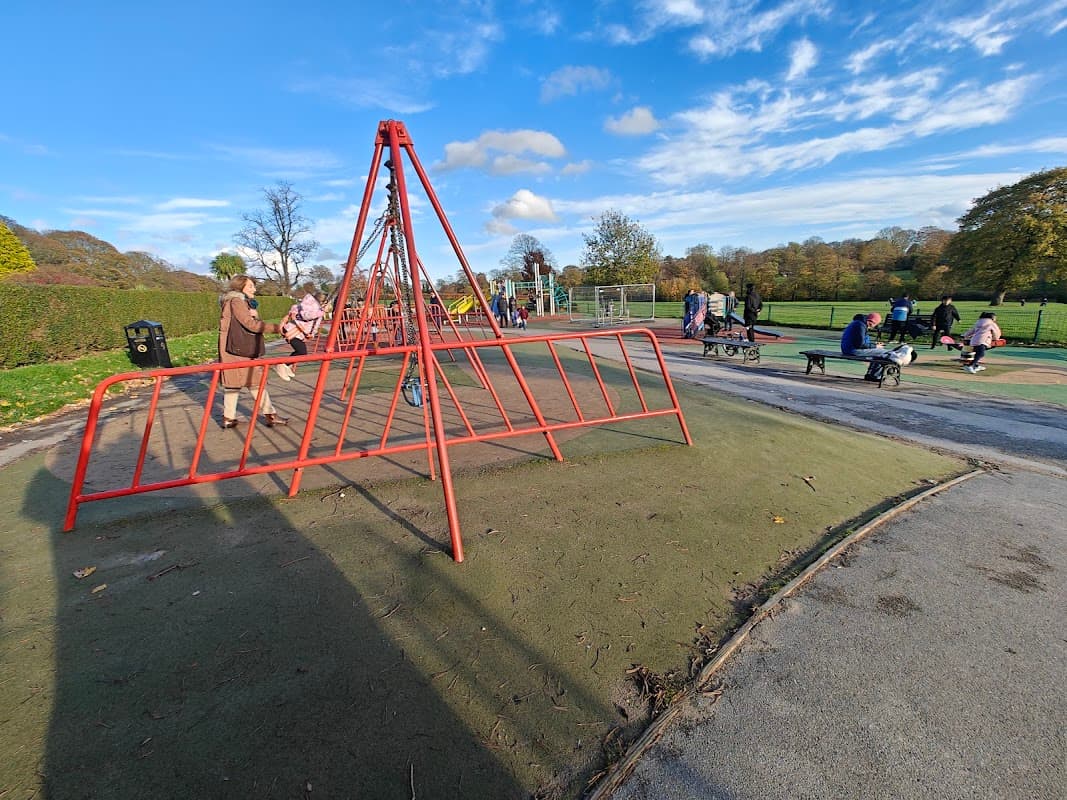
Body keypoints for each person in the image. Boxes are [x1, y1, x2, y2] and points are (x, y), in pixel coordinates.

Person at [218, 274, 287, 429]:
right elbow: (250, 325)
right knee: (254, 381)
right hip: (239, 350)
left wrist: (255, 315)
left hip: (232, 349)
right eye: (250, 286)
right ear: (240, 287)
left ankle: (228, 418)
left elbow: (248, 322)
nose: (254, 289)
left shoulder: (233, 301)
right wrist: (277, 328)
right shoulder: (237, 301)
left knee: (234, 384)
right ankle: (270, 415)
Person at [276, 291, 325, 381]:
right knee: (302, 352)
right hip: (293, 330)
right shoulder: (310, 305)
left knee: (300, 351)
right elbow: (305, 316)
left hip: (298, 332)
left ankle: (287, 366)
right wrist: (319, 313)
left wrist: (312, 334)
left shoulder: (317, 308)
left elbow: (315, 324)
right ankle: (282, 365)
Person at [841, 312, 893, 381]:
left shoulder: (858, 323)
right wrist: (875, 346)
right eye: (875, 325)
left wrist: (874, 345)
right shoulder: (860, 326)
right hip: (852, 350)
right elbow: (859, 344)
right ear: (871, 322)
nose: (873, 327)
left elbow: (860, 341)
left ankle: (872, 374)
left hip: (848, 348)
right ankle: (874, 375)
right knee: (884, 353)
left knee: (878, 352)